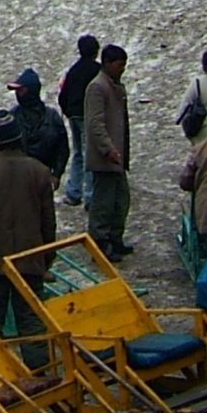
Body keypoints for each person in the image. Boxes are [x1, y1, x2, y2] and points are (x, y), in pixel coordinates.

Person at [0, 107, 56, 347]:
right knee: (33, 325)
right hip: (29, 259)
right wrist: (46, 258)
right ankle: (40, 375)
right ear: (19, 137)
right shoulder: (40, 171)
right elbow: (48, 222)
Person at [82, 44, 132, 257]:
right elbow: (95, 123)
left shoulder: (113, 86)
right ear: (108, 63)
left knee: (121, 200)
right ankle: (100, 244)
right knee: (103, 203)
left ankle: (114, 238)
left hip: (116, 157)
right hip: (106, 158)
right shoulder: (98, 87)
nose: (122, 69)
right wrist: (108, 149)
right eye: (120, 65)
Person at [56, 38, 100, 208]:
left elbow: (63, 95)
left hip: (73, 115)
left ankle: (73, 191)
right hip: (87, 115)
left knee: (78, 152)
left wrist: (68, 112)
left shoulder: (73, 70)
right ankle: (90, 196)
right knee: (89, 154)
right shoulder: (97, 71)